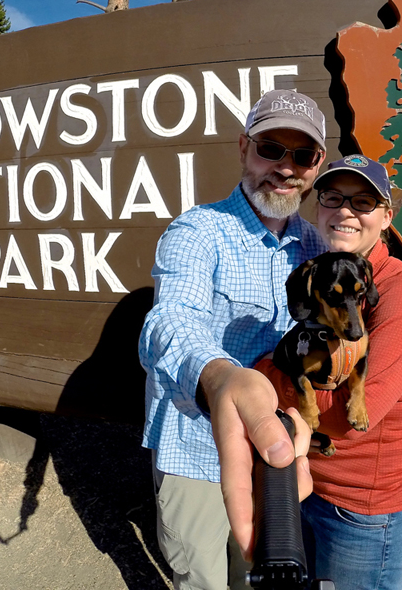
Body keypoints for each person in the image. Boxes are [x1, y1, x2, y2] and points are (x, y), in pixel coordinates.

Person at [139, 88, 330, 590]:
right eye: (271, 148)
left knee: (258, 574)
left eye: (302, 155)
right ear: (244, 148)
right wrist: (219, 375)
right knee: (200, 576)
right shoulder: (198, 231)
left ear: (317, 165)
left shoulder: (316, 244)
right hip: (195, 447)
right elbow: (170, 320)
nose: (285, 167)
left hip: (275, 453)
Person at [255, 154, 402, 590]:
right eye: (333, 198)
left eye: (362, 202)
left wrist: (262, 376)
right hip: (304, 484)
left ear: (387, 216)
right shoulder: (318, 274)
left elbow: (352, 416)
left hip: (362, 511)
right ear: (318, 206)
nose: (344, 211)